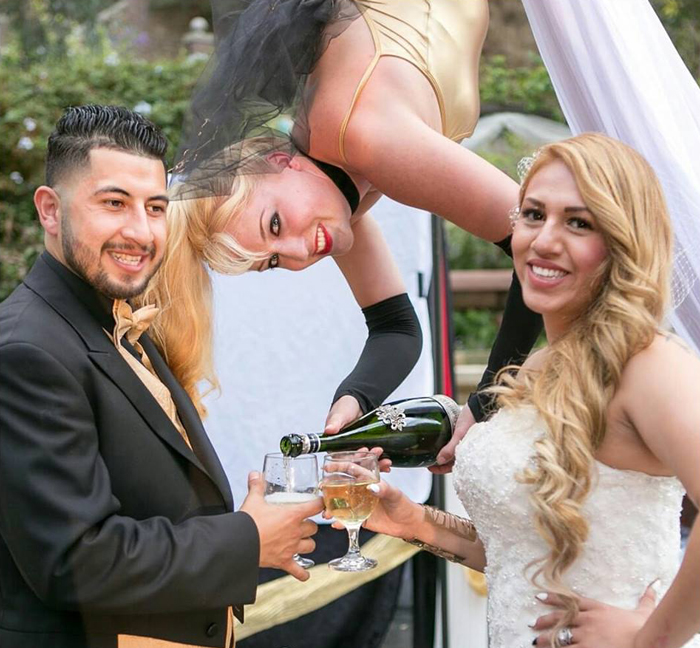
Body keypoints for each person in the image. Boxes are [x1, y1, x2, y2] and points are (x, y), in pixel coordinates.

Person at [142, 0, 542, 451]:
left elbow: (536, 239)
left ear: (279, 161)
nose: (300, 252)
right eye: (273, 261)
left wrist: (486, 403)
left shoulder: (362, 138)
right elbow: (396, 327)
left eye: (275, 225)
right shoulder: (336, 190)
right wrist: (352, 401)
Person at [351, 133, 700, 647]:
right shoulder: (535, 367)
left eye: (578, 223)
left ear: (623, 242)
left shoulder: (649, 365)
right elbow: (519, 554)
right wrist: (414, 522)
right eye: (534, 215)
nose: (544, 241)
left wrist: (648, 638)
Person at [0, 104, 323, 648]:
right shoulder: (25, 352)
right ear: (50, 211)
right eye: (114, 204)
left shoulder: (116, 319)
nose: (141, 231)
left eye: (154, 208)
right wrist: (246, 541)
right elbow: (76, 561)